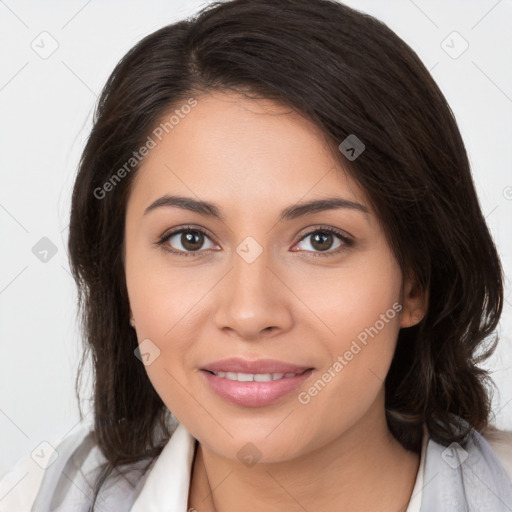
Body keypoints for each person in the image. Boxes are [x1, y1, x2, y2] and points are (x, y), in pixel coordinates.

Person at [1, 0, 512, 510]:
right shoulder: (37, 494)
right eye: (190, 239)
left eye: (321, 239)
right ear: (121, 276)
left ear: (414, 283)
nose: (249, 313)